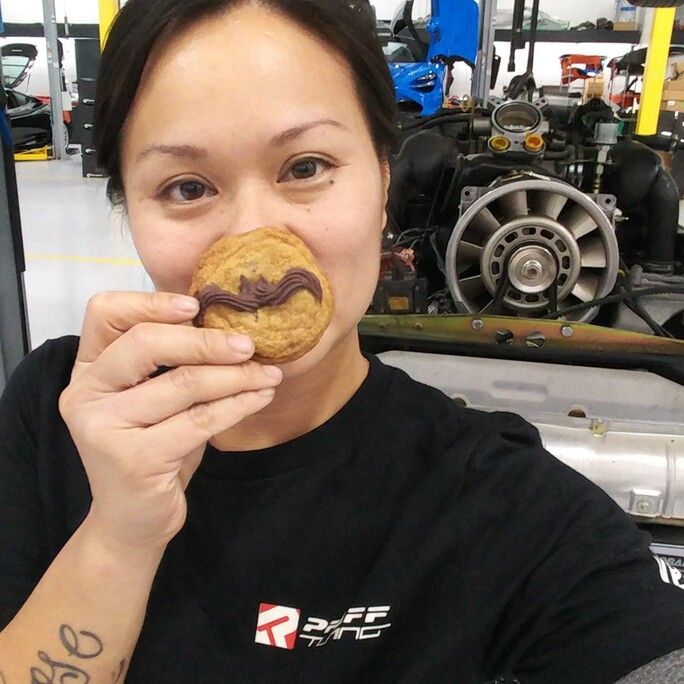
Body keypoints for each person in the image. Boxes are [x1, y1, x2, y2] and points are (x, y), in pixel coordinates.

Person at [0, 1, 682, 682]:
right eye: (186, 186)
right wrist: (119, 535)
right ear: (129, 209)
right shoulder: (58, 414)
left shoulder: (502, 506)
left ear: (384, 180)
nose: (253, 241)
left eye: (306, 167)